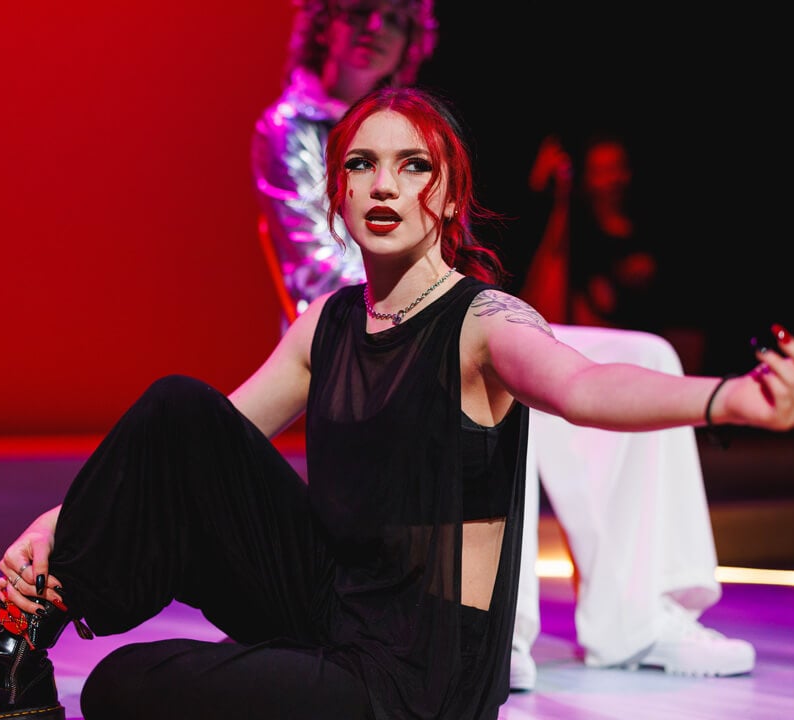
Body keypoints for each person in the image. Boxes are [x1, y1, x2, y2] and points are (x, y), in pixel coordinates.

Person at [0, 86, 794, 720]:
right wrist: (63, 523)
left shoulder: (481, 321)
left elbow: (587, 386)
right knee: (176, 408)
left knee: (127, 687)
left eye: (410, 166)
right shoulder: (328, 326)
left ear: (444, 198)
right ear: (339, 197)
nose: (383, 184)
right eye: (360, 165)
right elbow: (197, 445)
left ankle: (47, 666)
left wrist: (730, 398)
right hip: (329, 613)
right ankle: (11, 648)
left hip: (415, 681)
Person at [251, 0, 756, 689]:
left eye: (393, 20)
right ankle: (489, 630)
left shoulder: (418, 123)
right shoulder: (291, 128)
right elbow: (318, 270)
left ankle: (641, 615)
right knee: (481, 372)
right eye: (357, 12)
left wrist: (732, 396)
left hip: (439, 305)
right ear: (323, 26)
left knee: (643, 355)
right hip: (363, 334)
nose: (374, 29)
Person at [522, 131, 707, 373]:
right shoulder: (576, 237)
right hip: (591, 364)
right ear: (587, 179)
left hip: (641, 362)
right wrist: (554, 197)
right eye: (601, 172)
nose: (612, 180)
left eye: (616, 169)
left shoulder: (651, 233)